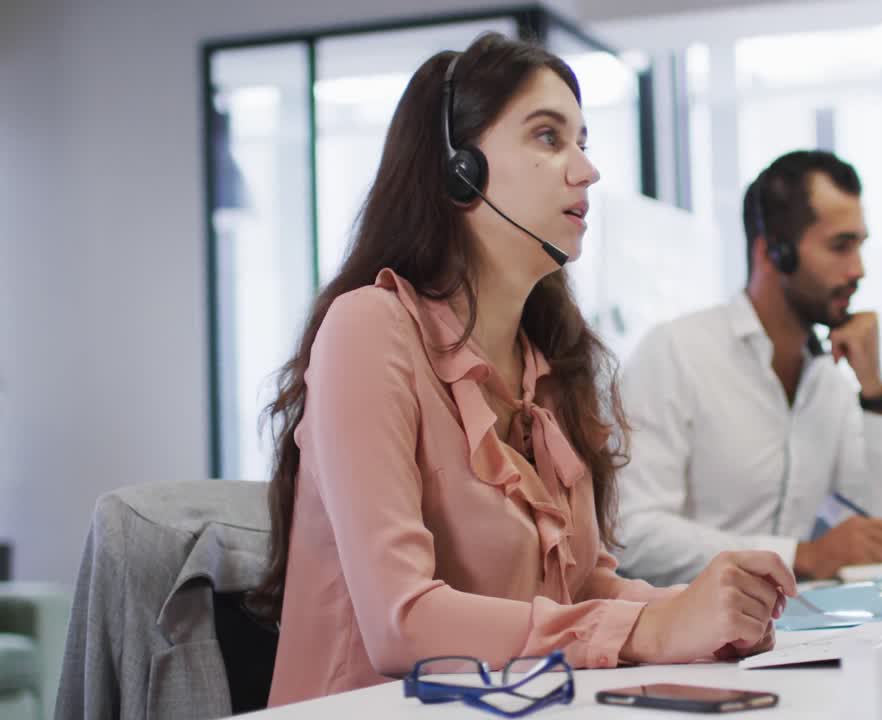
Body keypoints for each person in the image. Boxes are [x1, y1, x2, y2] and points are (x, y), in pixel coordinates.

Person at [254, 33, 797, 707]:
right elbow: (401, 622)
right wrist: (648, 629)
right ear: (459, 171)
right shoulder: (369, 329)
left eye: (583, 141)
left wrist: (704, 612)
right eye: (548, 137)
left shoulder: (550, 362)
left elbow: (588, 591)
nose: (587, 170)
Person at [616, 150, 882, 586]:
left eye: (860, 245)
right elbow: (632, 534)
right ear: (772, 251)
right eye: (840, 246)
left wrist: (874, 393)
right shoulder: (676, 352)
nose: (859, 270)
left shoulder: (829, 381)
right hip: (689, 643)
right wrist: (800, 556)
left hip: (793, 637)